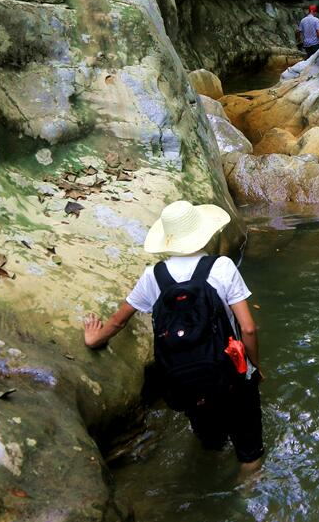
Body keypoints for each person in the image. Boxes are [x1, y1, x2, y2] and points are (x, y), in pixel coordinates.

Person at [83, 201, 264, 472]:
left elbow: (119, 320)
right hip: (231, 373)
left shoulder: (154, 276)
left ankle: (210, 469)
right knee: (249, 453)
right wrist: (254, 367)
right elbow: (248, 328)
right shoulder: (222, 267)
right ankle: (246, 492)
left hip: (185, 380)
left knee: (210, 440)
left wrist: (95, 339)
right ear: (205, 232)